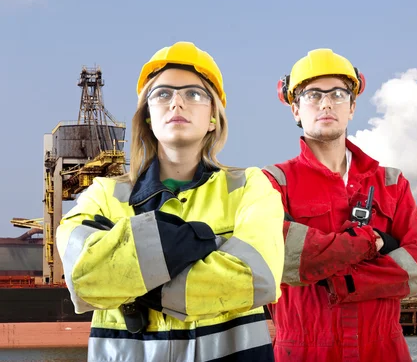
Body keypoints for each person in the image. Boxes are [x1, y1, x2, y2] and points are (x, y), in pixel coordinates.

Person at [56, 41, 285, 362]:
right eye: (162, 94)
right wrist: (193, 241)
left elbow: (256, 279)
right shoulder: (102, 194)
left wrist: (131, 277)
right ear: (147, 116)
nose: (177, 102)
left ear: (213, 118)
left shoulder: (250, 186)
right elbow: (83, 281)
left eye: (194, 94)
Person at [262, 48, 417, 362]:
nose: (326, 103)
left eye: (338, 94)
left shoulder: (391, 183)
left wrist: (342, 279)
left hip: (383, 350)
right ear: (295, 110)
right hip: (302, 351)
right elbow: (285, 260)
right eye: (313, 94)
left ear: (352, 107)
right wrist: (373, 242)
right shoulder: (273, 183)